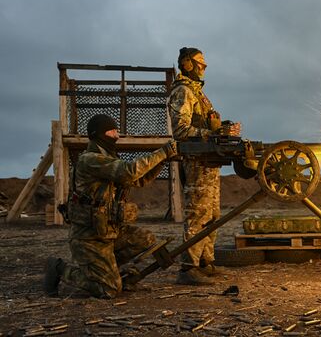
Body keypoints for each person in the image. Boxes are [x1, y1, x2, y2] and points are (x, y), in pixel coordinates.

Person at [43, 114, 179, 298]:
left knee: (145, 239)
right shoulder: (90, 159)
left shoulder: (109, 159)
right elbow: (128, 172)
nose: (117, 135)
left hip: (109, 231)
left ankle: (107, 269)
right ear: (99, 134)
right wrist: (163, 152)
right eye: (112, 131)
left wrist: (163, 160)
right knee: (110, 290)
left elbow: (140, 179)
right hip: (89, 238)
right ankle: (60, 268)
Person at [167, 47, 240, 285]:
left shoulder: (198, 93)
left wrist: (221, 130)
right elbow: (181, 131)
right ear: (188, 64)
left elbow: (205, 125)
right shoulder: (183, 92)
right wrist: (212, 133)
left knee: (212, 214)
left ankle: (205, 262)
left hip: (208, 162)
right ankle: (188, 267)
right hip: (197, 161)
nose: (203, 67)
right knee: (197, 214)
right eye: (200, 63)